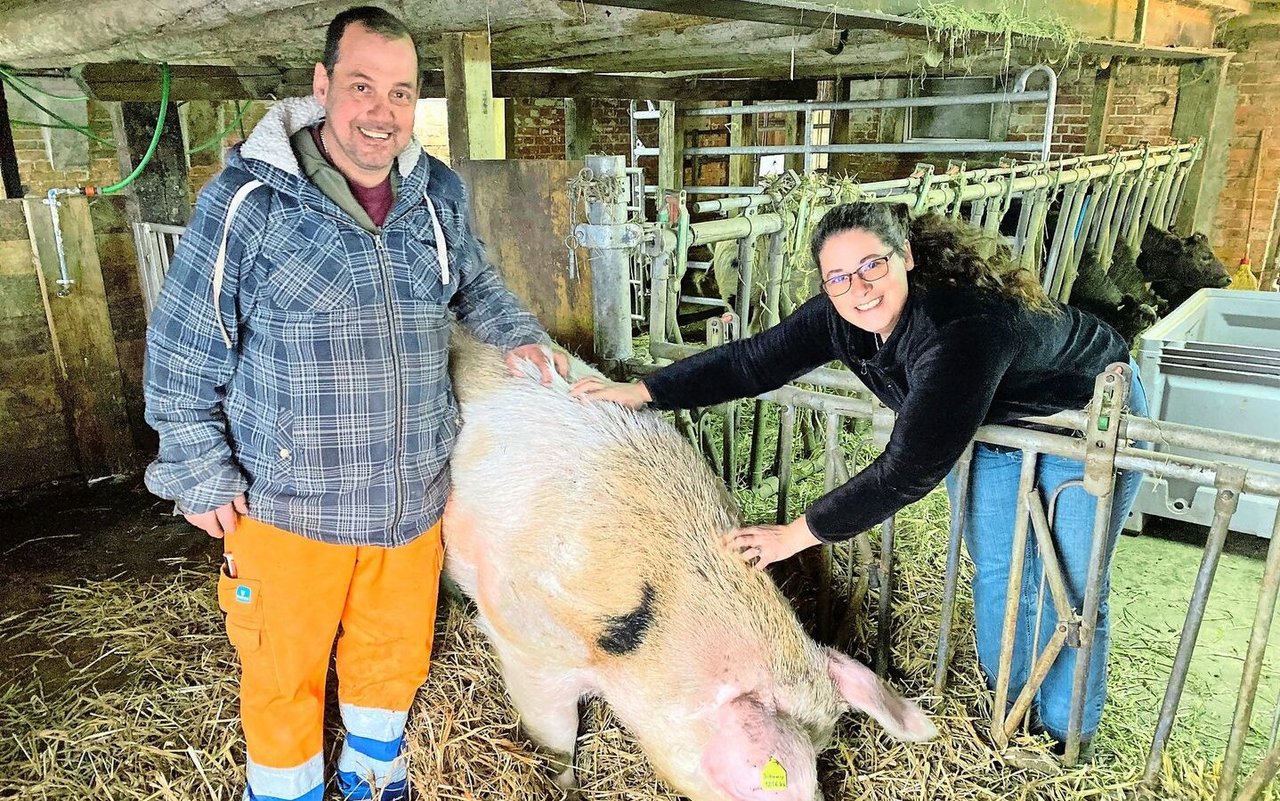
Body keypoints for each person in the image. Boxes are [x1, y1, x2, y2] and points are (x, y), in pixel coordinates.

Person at [143, 7, 565, 800]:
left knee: (393, 648)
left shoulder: (434, 190)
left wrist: (519, 336)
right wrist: (199, 469)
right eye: (363, 87)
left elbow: (472, 281)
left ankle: (374, 775)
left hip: (409, 495)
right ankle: (286, 788)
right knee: (283, 664)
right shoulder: (248, 202)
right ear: (322, 85)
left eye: (401, 93)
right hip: (288, 501)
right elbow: (182, 343)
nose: (383, 113)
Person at [571, 201, 1147, 755]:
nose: (859, 287)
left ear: (907, 258)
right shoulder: (841, 316)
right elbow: (751, 361)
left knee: (1070, 586)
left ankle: (1063, 735)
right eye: (839, 277)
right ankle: (1010, 714)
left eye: (873, 265)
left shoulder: (962, 329)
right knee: (1001, 573)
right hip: (994, 428)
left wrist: (795, 534)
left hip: (1087, 422)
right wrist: (646, 391)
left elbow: (906, 471)